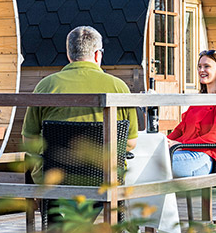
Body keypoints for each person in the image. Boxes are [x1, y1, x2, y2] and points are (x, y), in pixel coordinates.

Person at [22, 25, 138, 183]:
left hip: (55, 180)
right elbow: (130, 143)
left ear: (69, 54)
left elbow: (29, 141)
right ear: (98, 55)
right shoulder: (119, 87)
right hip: (105, 179)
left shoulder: (45, 86)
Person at [167, 49, 216, 178]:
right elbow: (181, 128)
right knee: (149, 158)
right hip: (182, 152)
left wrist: (180, 144)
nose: (201, 70)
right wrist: (165, 141)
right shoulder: (200, 99)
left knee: (158, 164)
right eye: (199, 67)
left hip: (202, 158)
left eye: (207, 66)